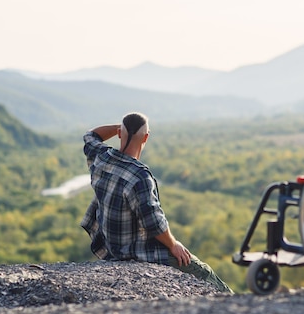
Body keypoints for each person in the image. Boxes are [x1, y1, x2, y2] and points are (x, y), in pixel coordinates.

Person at [80, 112, 233, 293]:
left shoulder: (102, 157)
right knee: (204, 273)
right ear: (146, 137)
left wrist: (121, 128)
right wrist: (173, 245)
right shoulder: (139, 176)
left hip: (109, 244)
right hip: (135, 251)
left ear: (120, 134)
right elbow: (153, 222)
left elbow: (91, 136)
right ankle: (236, 306)